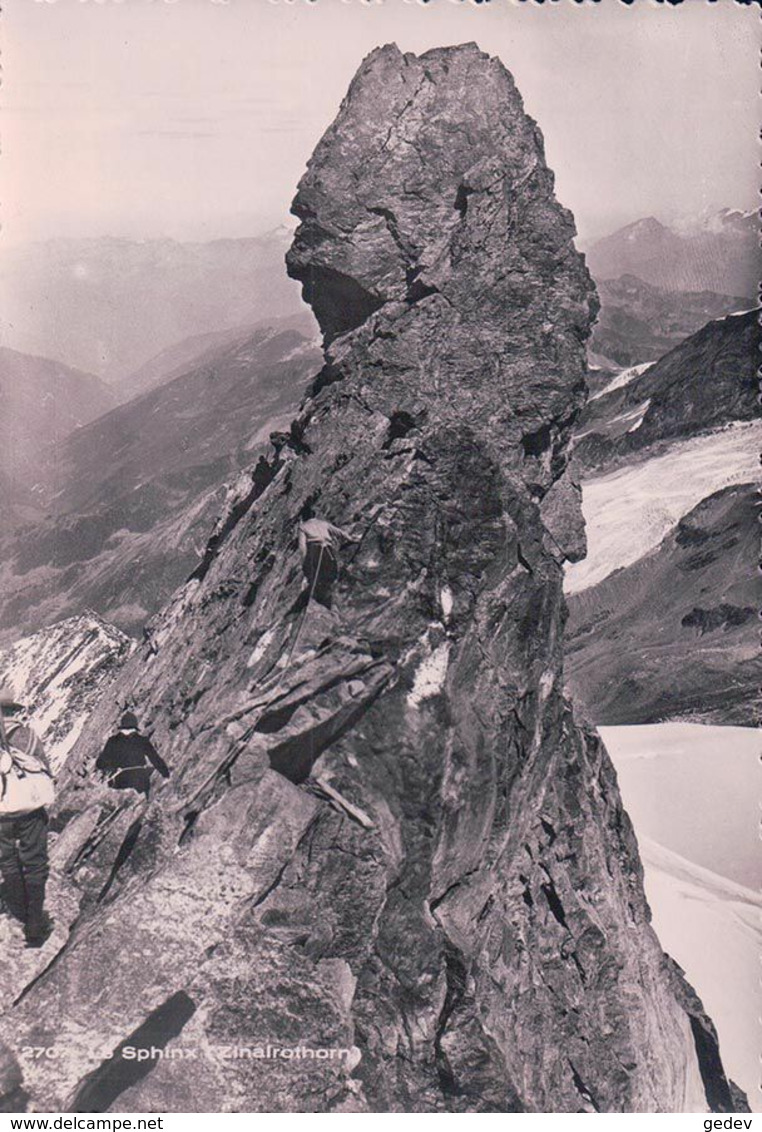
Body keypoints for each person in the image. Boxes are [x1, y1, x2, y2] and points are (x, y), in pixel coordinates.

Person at [0, 688, 54, 948]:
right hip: (31, 812)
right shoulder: (28, 736)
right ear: (13, 711)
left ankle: (20, 914)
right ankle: (34, 924)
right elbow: (45, 769)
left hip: (1, 814)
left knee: (8, 863)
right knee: (34, 863)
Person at [95, 712, 170, 797]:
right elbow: (155, 759)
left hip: (119, 782)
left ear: (122, 727)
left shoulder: (112, 741)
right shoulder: (142, 740)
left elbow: (100, 764)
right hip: (140, 780)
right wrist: (166, 774)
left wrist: (111, 767)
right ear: (135, 727)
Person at [297, 510, 357, 609]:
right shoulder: (323, 523)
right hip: (328, 550)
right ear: (314, 515)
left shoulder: (303, 527)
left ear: (303, 518)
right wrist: (351, 539)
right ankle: (332, 601)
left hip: (315, 550)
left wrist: (305, 560)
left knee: (317, 575)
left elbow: (302, 546)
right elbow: (340, 532)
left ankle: (320, 601)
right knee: (331, 573)